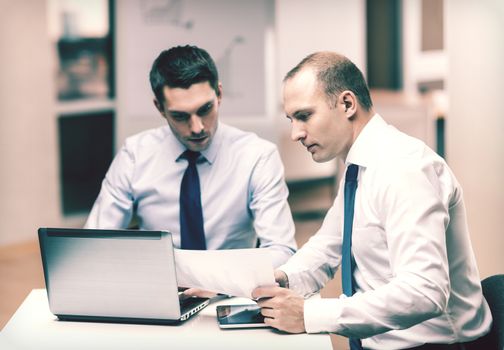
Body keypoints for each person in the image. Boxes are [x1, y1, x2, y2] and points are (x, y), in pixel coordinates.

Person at [252, 52, 492, 349]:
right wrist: (281, 279)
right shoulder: (360, 167)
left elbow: (425, 291)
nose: (295, 134)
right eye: (291, 119)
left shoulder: (404, 169)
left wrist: (308, 314)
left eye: (304, 116)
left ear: (347, 104)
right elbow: (327, 246)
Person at [85, 45, 297, 269]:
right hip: (161, 287)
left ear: (219, 95)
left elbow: (282, 250)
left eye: (205, 109)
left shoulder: (257, 156)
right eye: (180, 116)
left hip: (232, 290)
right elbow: (93, 244)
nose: (197, 128)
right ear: (160, 108)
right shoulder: (135, 155)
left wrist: (221, 278)